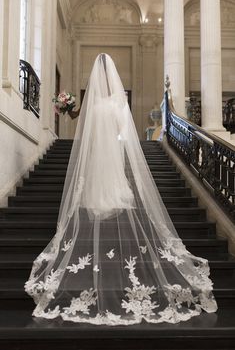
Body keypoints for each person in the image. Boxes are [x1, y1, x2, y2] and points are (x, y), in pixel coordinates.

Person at [25, 53, 217, 325]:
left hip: (97, 153)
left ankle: (97, 198)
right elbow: (122, 130)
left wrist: (72, 111)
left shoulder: (92, 105)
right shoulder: (117, 102)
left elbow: (86, 132)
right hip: (112, 151)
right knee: (115, 181)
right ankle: (112, 196)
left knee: (97, 183)